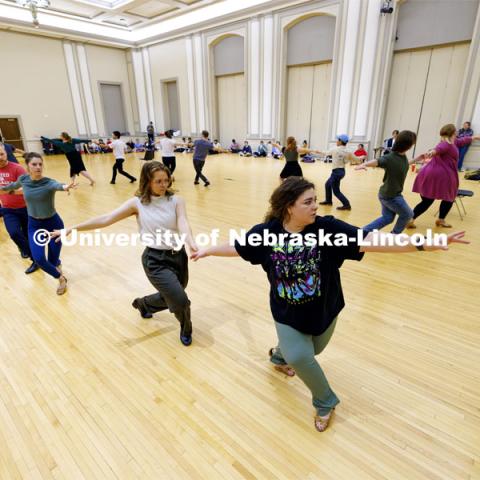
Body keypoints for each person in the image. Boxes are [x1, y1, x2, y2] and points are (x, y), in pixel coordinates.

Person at [190, 176, 468, 432]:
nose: (315, 206)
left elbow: (373, 240)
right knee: (301, 357)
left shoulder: (327, 229)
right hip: (286, 312)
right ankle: (325, 401)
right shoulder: (267, 233)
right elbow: (238, 246)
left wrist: (424, 243)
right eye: (307, 202)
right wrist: (207, 250)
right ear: (289, 207)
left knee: (313, 350)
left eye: (315, 200)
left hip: (325, 308)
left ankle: (278, 355)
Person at [53, 162, 198, 346]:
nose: (164, 185)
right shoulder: (137, 203)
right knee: (181, 300)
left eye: (166, 180)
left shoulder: (177, 200)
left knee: (174, 293)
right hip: (155, 260)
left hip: (178, 256)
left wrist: (190, 241)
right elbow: (106, 219)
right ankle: (186, 329)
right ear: (147, 182)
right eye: (158, 181)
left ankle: (144, 304)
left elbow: (183, 221)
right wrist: (73, 228)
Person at [0, 152, 74, 294]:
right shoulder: (23, 179)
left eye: (40, 164)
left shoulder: (48, 182)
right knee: (39, 259)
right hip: (34, 225)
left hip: (53, 225)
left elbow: (58, 185)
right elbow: (12, 186)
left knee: (52, 260)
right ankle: (61, 278)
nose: (38, 167)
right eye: (34, 164)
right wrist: (3, 189)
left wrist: (66, 187)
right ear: (28, 166)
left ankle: (57, 266)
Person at [407, 123, 480, 228]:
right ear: (453, 132)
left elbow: (463, 141)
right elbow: (438, 149)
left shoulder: (453, 141)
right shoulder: (445, 144)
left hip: (431, 173)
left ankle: (410, 219)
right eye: (456, 130)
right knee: (449, 197)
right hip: (442, 175)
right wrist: (432, 152)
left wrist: (475, 137)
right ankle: (440, 220)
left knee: (427, 200)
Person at [356, 131, 425, 234]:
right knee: (408, 214)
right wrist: (364, 164)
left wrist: (416, 159)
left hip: (386, 194)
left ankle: (363, 232)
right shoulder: (390, 157)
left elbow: (404, 164)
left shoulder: (402, 156)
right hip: (391, 196)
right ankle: (394, 235)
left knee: (387, 218)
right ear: (409, 145)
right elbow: (378, 161)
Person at [0, 144, 38, 274]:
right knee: (15, 233)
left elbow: (29, 188)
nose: (0, 157)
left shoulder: (17, 168)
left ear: (6, 153)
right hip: (8, 209)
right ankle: (35, 259)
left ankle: (34, 255)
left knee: (28, 235)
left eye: (1, 154)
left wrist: (11, 191)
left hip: (25, 208)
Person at [318, 134, 353, 210]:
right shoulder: (347, 151)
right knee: (327, 184)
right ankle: (328, 201)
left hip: (336, 172)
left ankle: (347, 205)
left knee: (336, 191)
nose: (336, 141)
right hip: (341, 171)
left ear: (340, 141)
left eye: (337, 140)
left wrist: (317, 151)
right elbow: (352, 159)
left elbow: (326, 153)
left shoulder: (335, 149)